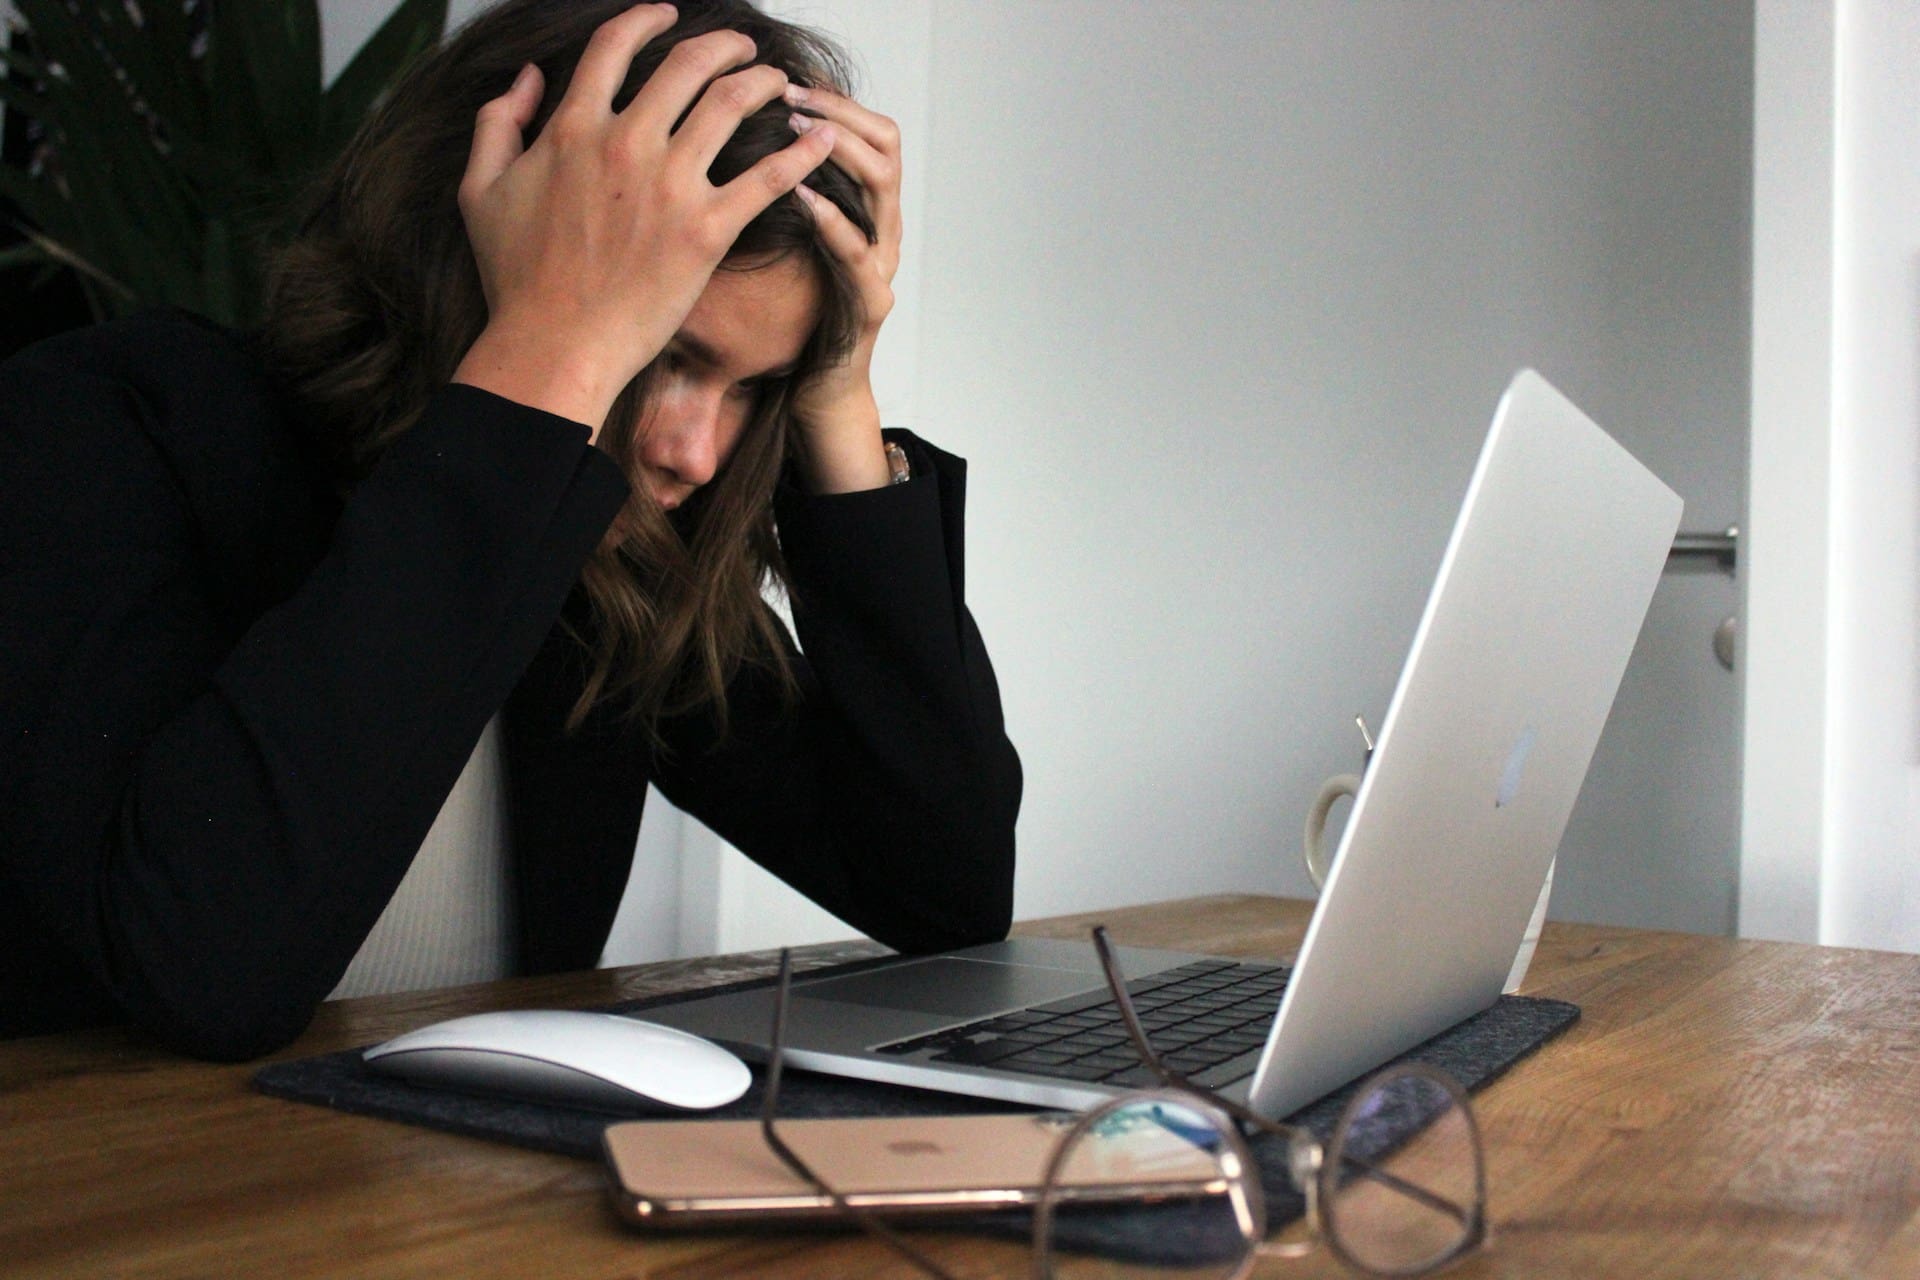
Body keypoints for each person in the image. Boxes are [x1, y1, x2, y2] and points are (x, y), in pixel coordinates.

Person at [0, 0, 1021, 1060]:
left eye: (752, 389)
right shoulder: (98, 427)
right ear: (474, 248)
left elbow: (942, 887)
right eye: (665, 351)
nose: (694, 453)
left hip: (461, 1215)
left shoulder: (603, 561)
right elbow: (206, 967)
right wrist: (551, 352)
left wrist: (836, 394)